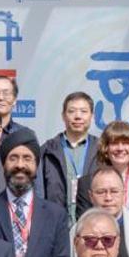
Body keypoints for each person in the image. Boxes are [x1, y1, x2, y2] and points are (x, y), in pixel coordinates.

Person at [74, 120, 129, 230]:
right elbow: (83, 226)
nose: (120, 148)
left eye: (125, 143)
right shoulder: (87, 183)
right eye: (114, 143)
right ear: (106, 148)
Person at [38, 91, 98, 222]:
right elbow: (39, 195)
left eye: (83, 111)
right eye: (72, 111)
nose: (78, 116)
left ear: (92, 116)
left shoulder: (102, 150)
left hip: (93, 226)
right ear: (63, 116)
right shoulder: (47, 151)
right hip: (56, 225)